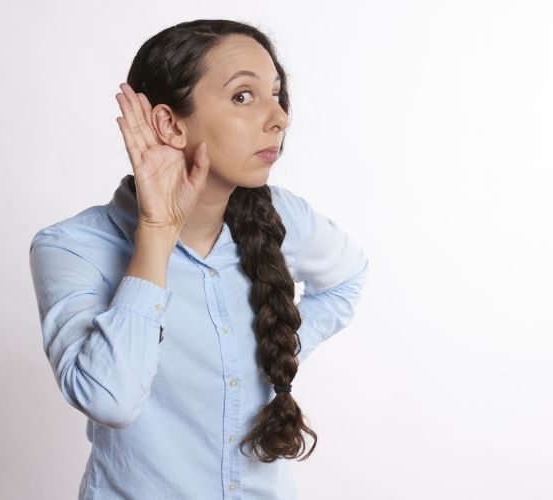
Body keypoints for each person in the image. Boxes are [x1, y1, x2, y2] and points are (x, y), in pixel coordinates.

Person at [29, 19, 370, 500]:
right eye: (243, 97)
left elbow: (348, 277)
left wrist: (274, 347)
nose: (279, 118)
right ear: (169, 124)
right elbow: (111, 400)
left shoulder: (284, 218)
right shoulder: (71, 247)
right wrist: (157, 232)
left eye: (276, 94)